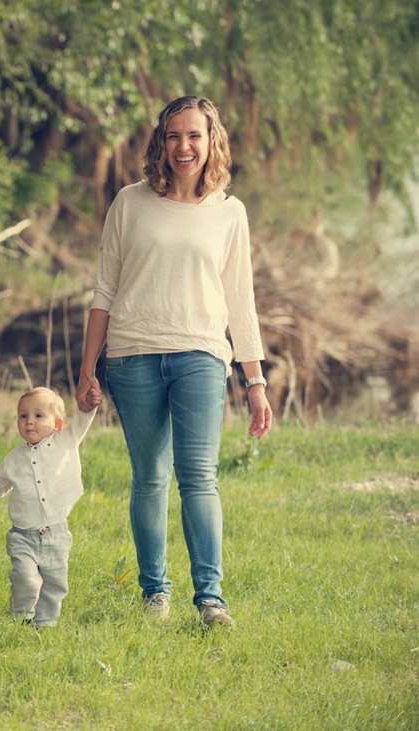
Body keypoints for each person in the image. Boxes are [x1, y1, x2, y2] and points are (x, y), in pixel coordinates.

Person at [74, 95, 272, 630]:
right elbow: (104, 290)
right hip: (132, 356)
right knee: (149, 477)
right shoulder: (130, 202)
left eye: (194, 135)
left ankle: (211, 600)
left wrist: (255, 380)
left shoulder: (229, 212)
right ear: (161, 142)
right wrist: (88, 369)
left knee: (199, 477)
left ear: (212, 142)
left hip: (201, 355)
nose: (184, 146)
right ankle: (155, 593)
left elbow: (241, 300)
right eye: (174, 135)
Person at [0, 387, 99, 628]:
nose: (29, 421)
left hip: (56, 534)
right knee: (25, 579)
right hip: (22, 535)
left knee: (54, 584)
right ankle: (21, 616)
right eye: (23, 416)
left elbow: (82, 420)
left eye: (38, 415)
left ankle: (45, 623)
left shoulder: (66, 441)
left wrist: (89, 405)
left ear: (57, 424)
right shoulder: (13, 458)